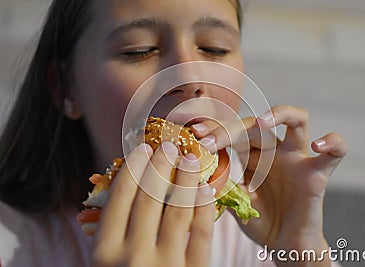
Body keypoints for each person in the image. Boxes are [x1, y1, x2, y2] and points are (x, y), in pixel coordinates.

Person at [0, 0, 347, 266]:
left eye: (214, 49)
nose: (190, 79)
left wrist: (302, 252)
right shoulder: (12, 243)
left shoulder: (249, 228)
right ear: (66, 88)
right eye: (139, 50)